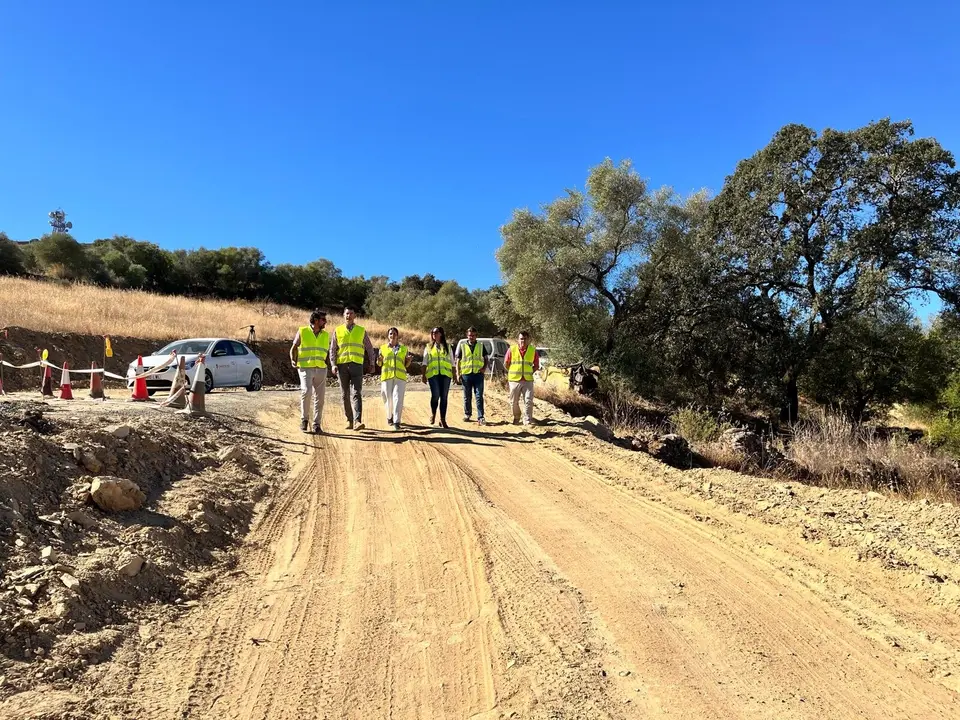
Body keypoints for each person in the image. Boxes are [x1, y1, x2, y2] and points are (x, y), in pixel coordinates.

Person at [329, 306, 375, 431]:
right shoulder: (338, 330)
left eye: (351, 313)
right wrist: (333, 364)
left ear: (355, 316)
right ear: (343, 315)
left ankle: (357, 421)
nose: (348, 316)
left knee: (356, 393)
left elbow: (369, 348)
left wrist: (372, 363)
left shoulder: (361, 330)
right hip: (342, 366)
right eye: (347, 313)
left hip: (356, 365)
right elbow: (333, 349)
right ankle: (349, 420)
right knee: (344, 394)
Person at [289, 310, 332, 433]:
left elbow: (326, 352)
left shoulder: (325, 335)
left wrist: (329, 366)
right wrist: (293, 360)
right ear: (316, 321)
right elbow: (294, 348)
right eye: (323, 319)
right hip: (305, 367)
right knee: (306, 391)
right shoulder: (302, 331)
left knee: (320, 398)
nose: (325, 322)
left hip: (321, 368)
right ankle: (304, 420)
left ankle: (317, 424)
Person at [377, 327, 412, 430]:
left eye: (394, 333)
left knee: (398, 398)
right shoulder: (383, 348)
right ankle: (389, 416)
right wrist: (379, 360)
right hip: (387, 377)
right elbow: (379, 364)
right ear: (388, 336)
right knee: (388, 398)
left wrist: (409, 360)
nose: (392, 335)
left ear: (397, 335)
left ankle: (397, 421)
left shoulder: (404, 349)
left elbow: (406, 365)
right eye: (391, 334)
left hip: (400, 377)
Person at [504, 330, 540, 426]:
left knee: (528, 400)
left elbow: (536, 365)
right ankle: (516, 417)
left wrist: (530, 372)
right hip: (514, 380)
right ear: (518, 339)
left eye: (525, 339)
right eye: (521, 339)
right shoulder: (511, 349)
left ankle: (527, 419)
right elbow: (506, 363)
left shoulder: (533, 350)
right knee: (513, 401)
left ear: (528, 340)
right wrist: (512, 371)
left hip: (528, 380)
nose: (523, 341)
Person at [454, 326, 488, 425]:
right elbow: (458, 361)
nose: (471, 337)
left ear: (476, 336)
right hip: (466, 375)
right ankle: (467, 414)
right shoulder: (463, 346)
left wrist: (484, 368)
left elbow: (486, 358)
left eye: (473, 335)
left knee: (479, 396)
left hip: (478, 375)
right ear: (467, 336)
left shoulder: (481, 345)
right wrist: (458, 373)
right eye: (469, 335)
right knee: (467, 396)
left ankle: (480, 417)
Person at [422, 326, 454, 428]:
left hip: (446, 375)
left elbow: (452, 362)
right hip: (433, 375)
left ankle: (442, 419)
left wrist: (455, 375)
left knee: (444, 397)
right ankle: (433, 413)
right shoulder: (428, 347)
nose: (434, 334)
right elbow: (424, 362)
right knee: (435, 395)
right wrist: (423, 375)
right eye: (433, 333)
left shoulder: (448, 347)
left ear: (441, 334)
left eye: (436, 332)